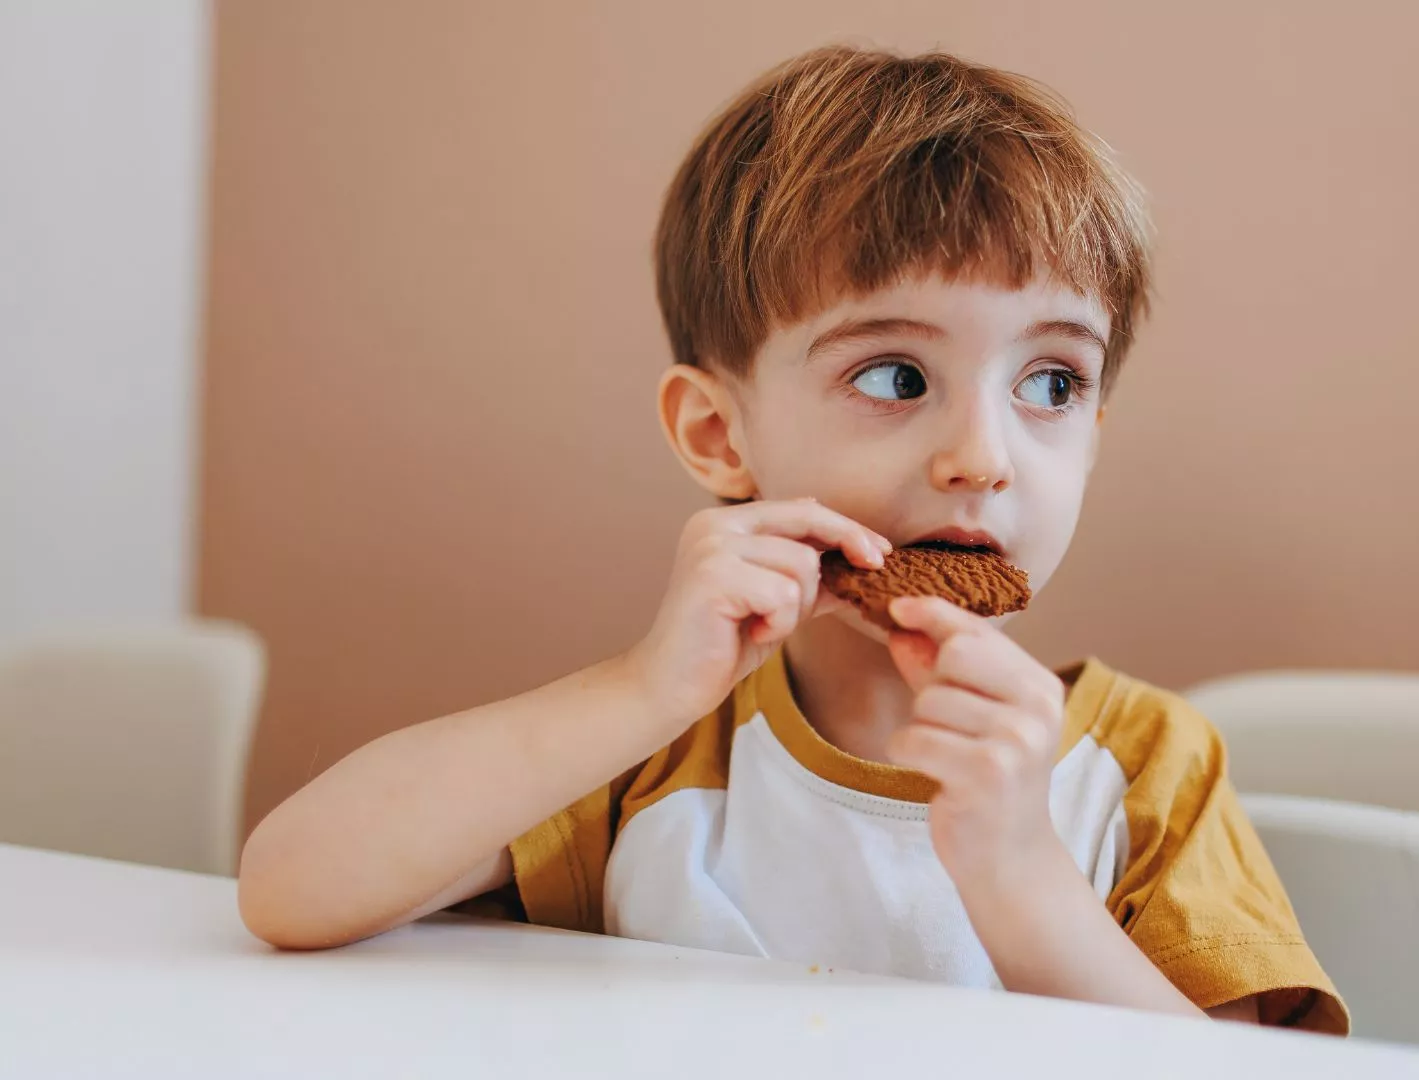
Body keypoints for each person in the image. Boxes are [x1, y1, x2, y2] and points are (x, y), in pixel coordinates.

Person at [237, 45, 1346, 1032]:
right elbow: (289, 891)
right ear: (720, 434)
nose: (984, 454)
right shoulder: (653, 756)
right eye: (896, 376)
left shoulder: (1140, 767)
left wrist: (1019, 877)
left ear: (1093, 438)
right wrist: (635, 693)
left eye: (1050, 383)